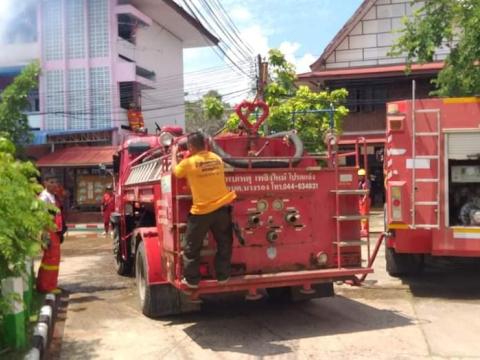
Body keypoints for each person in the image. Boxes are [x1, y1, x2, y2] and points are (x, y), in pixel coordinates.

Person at [172, 132, 237, 289]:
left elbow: (176, 172)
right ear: (206, 144)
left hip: (201, 212)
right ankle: (223, 276)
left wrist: (174, 154)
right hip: (222, 208)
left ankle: (193, 281)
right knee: (224, 243)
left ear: (190, 146)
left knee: (191, 246)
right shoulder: (217, 159)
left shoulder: (189, 162)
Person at [37, 174, 64, 294]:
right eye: (51, 182)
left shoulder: (54, 197)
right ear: (45, 183)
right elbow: (41, 218)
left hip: (55, 232)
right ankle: (46, 286)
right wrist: (44, 234)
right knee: (50, 259)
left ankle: (50, 284)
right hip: (48, 231)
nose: (54, 185)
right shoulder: (44, 198)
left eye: (56, 182)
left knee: (54, 259)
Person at [358, 168, 371, 237]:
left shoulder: (367, 182)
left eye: (360, 175)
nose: (359, 177)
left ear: (363, 175)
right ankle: (362, 229)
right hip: (360, 199)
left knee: (364, 215)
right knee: (361, 215)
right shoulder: (360, 182)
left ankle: (364, 230)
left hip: (365, 200)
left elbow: (367, 191)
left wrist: (364, 199)